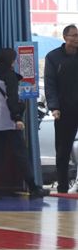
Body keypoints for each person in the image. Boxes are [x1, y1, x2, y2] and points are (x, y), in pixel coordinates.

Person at [0, 48, 44, 199]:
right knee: (21, 154)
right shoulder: (9, 76)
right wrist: (17, 118)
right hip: (9, 121)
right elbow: (12, 99)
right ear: (11, 60)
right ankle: (33, 188)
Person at [44, 24, 78, 194]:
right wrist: (54, 107)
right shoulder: (53, 57)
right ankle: (63, 187)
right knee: (63, 150)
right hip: (64, 110)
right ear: (65, 37)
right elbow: (49, 83)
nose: (77, 38)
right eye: (74, 35)